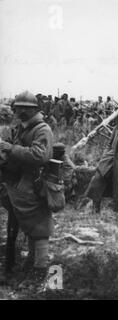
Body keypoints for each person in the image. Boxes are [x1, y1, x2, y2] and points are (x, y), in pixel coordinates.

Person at [0, 91, 54, 282]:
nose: (19, 111)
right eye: (17, 107)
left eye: (24, 108)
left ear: (33, 110)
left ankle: (43, 275)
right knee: (31, 227)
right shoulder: (23, 127)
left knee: (40, 229)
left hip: (35, 184)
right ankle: (32, 266)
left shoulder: (42, 129)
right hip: (21, 183)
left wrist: (9, 149)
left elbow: (39, 156)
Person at [83, 106, 118, 214]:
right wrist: (105, 156)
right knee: (97, 179)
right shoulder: (117, 129)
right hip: (110, 160)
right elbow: (109, 145)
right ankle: (95, 207)